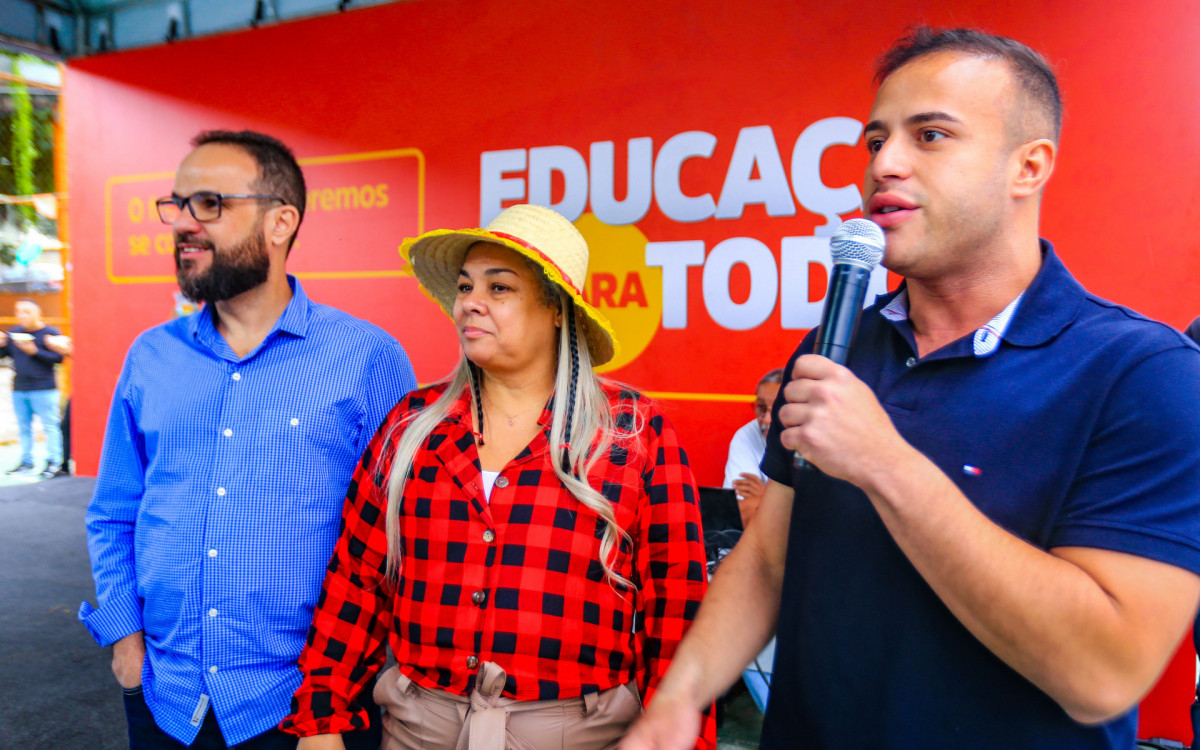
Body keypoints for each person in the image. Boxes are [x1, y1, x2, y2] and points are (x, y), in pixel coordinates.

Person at [622, 27, 1200, 750]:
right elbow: (770, 556)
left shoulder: (1144, 375)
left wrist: (885, 463)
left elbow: (1103, 673)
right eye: (874, 140)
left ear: (1029, 166)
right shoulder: (839, 344)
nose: (883, 165)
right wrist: (681, 697)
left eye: (929, 136)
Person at [282, 204, 715, 750]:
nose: (471, 303)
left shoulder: (632, 432)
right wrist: (322, 721)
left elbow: (677, 604)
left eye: (500, 288)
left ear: (557, 309)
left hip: (582, 734)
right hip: (419, 731)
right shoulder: (411, 427)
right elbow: (356, 581)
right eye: (465, 286)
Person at [80, 130, 416, 749]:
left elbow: (398, 539)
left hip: (310, 710)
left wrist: (339, 693)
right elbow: (114, 511)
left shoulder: (368, 359)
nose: (184, 223)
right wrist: (126, 644)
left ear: (281, 221)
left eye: (210, 204)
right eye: (178, 205)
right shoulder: (151, 357)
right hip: (166, 700)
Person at [0, 298, 65, 478]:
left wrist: (34, 351)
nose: (21, 315)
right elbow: (4, 355)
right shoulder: (13, 333)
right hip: (20, 388)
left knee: (50, 426)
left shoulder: (50, 333)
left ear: (38, 313)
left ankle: (53, 462)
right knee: (23, 427)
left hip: (44, 388)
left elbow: (59, 359)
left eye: (27, 311)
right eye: (19, 311)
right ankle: (26, 461)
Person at [721, 368, 782, 528]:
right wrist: (781, 503)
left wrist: (766, 497)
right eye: (761, 407)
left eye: (776, 409)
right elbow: (739, 513)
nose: (767, 420)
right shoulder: (746, 435)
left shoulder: (815, 440)